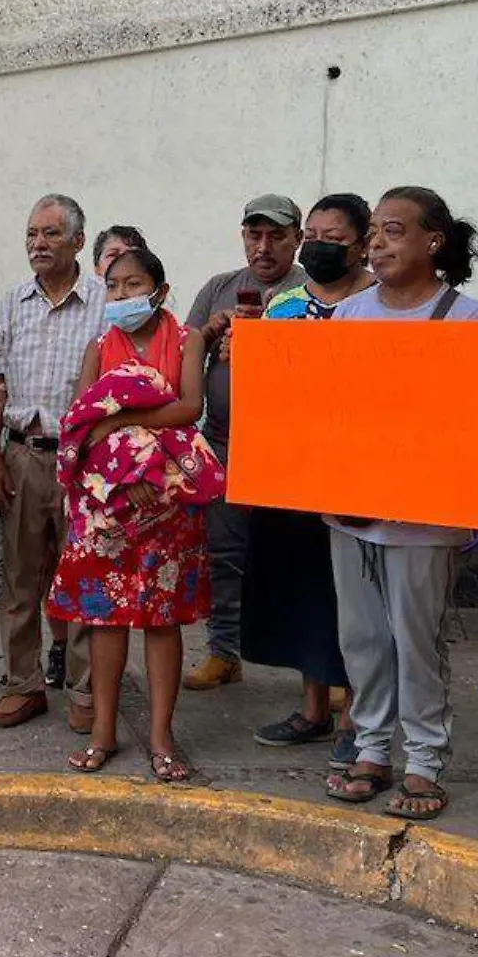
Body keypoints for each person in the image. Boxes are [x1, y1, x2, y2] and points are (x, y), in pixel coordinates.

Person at [322, 187, 478, 821]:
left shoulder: (464, 315)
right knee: (363, 636)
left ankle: (424, 759)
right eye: (373, 231)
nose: (377, 243)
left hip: (425, 513)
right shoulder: (349, 315)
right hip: (352, 507)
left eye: (393, 231)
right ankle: (372, 747)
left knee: (417, 638)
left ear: (434, 242)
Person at [50, 247, 223, 781]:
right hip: (109, 508)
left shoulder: (189, 340)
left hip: (169, 503)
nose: (122, 296)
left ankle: (160, 735)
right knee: (106, 618)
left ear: (160, 291)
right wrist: (125, 474)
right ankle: (104, 730)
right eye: (113, 286)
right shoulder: (99, 346)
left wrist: (128, 433)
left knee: (162, 619)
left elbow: (190, 407)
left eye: (133, 284)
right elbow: (82, 423)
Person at [234, 194, 374, 766]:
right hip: (291, 469)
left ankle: (355, 715)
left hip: (358, 471)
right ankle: (313, 707)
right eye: (311, 233)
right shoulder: (282, 304)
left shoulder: (377, 304)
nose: (318, 244)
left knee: (354, 597)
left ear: (362, 244)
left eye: (332, 236)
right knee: (304, 591)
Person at [0, 194, 108, 731]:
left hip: (86, 461)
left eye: (51, 234)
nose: (38, 244)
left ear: (79, 241)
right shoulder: (14, 303)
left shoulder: (105, 304)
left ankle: (85, 690)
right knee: (20, 578)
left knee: (83, 578)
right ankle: (22, 685)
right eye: (32, 233)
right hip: (24, 456)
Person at [181, 194, 308, 691]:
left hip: (291, 448)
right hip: (224, 443)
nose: (264, 246)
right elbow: (184, 352)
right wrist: (209, 334)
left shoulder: (312, 291)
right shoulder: (220, 288)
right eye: (254, 235)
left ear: (297, 238)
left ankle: (316, 668)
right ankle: (223, 652)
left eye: (276, 236)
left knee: (300, 559)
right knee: (224, 554)